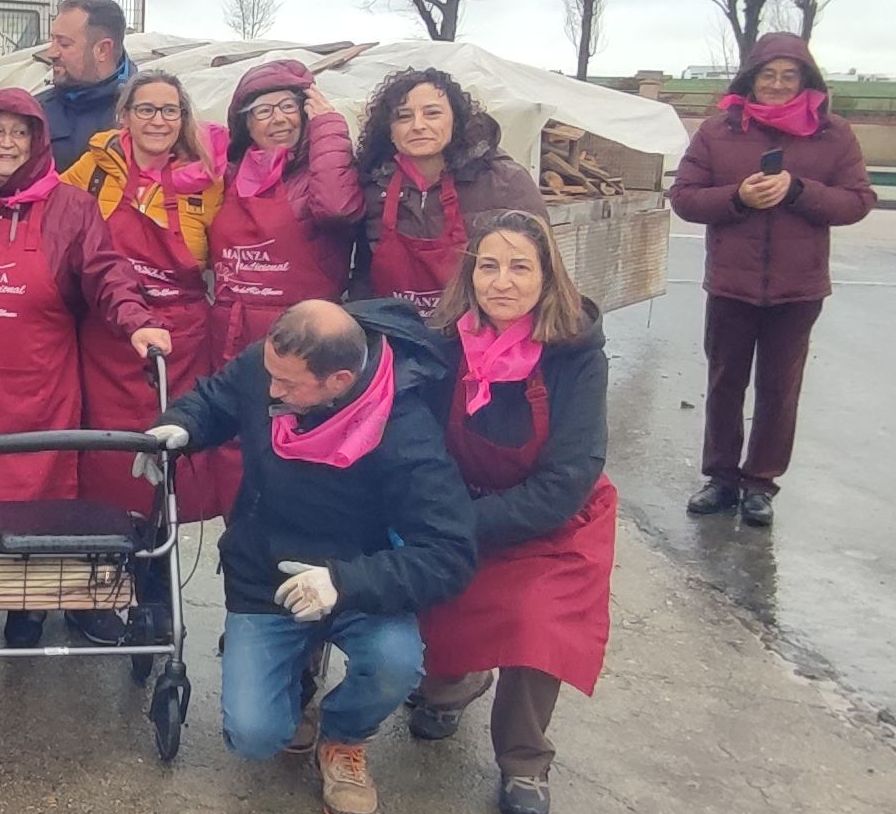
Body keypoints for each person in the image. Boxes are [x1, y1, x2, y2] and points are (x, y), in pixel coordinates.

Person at [150, 298, 480, 814]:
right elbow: (218, 398)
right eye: (271, 377)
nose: (272, 392)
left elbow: (450, 552)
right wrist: (180, 425)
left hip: (358, 578)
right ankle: (294, 681)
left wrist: (345, 584)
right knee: (256, 737)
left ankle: (345, 736)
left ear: (339, 380)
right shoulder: (275, 363)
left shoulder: (405, 429)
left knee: (397, 664)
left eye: (288, 386)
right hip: (266, 570)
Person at [0, 88, 164, 646]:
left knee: (39, 502)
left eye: (20, 132)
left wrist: (136, 322)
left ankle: (28, 612)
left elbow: (108, 274)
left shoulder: (71, 207)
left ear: (37, 143)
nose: (7, 142)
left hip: (39, 389)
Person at [411, 211, 615, 814]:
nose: (502, 281)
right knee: (442, 607)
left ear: (547, 275)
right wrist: (436, 515)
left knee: (534, 621)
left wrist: (459, 523)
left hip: (555, 521)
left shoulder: (577, 353)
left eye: (520, 266)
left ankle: (525, 759)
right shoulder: (444, 342)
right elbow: (420, 442)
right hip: (462, 501)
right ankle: (452, 684)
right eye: (489, 266)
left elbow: (565, 481)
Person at [665, 33, 877, 528]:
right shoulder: (718, 132)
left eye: (789, 75)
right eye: (768, 75)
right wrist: (737, 196)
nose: (778, 85)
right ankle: (720, 477)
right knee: (724, 383)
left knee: (780, 389)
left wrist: (799, 191)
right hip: (731, 284)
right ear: (751, 79)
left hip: (797, 288)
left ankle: (760, 483)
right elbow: (685, 197)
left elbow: (858, 201)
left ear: (806, 80)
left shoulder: (834, 135)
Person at [193, 61, 363, 520]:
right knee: (235, 453)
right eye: (263, 110)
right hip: (231, 332)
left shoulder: (319, 173)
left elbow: (338, 208)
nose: (279, 119)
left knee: (300, 453)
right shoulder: (228, 176)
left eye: (289, 107)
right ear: (244, 123)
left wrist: (329, 128)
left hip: (305, 340)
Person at [62, 69, 217, 539]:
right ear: (124, 115)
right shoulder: (91, 169)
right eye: (145, 108)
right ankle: (101, 574)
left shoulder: (207, 179)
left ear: (183, 117)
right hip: (108, 340)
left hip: (181, 341)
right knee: (105, 461)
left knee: (169, 451)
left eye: (169, 110)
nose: (158, 120)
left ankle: (156, 575)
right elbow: (40, 200)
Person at [352, 67, 543, 314]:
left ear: (456, 120)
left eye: (432, 113)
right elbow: (363, 276)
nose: (418, 125)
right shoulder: (373, 187)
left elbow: (543, 269)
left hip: (478, 332)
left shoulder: (506, 182)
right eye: (403, 116)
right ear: (389, 130)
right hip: (399, 334)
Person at [36, 0, 134, 170]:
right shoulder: (36, 111)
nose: (51, 53)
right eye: (52, 40)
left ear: (103, 50)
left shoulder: (146, 116)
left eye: (64, 44)